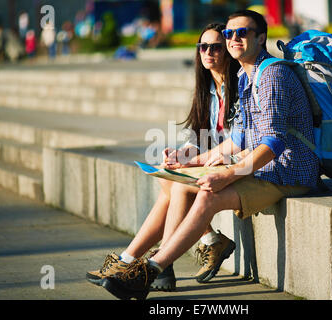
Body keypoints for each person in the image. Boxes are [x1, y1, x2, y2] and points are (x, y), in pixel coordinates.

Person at [98, 9, 319, 300]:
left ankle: (151, 268)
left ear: (261, 37)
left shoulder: (272, 75)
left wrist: (229, 173)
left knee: (207, 194)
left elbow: (274, 142)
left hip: (288, 172)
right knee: (184, 179)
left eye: (243, 32)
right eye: (230, 33)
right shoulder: (244, 75)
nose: (234, 38)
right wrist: (194, 161)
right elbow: (239, 138)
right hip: (264, 169)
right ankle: (152, 264)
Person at [86, 22, 241, 291]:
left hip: (239, 165)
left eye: (216, 47)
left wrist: (197, 160)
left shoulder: (239, 88)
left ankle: (144, 261)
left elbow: (239, 142)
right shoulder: (208, 89)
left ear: (228, 51)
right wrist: (182, 154)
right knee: (166, 174)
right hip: (216, 161)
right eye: (203, 47)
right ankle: (164, 256)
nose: (208, 52)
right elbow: (201, 138)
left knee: (177, 186)